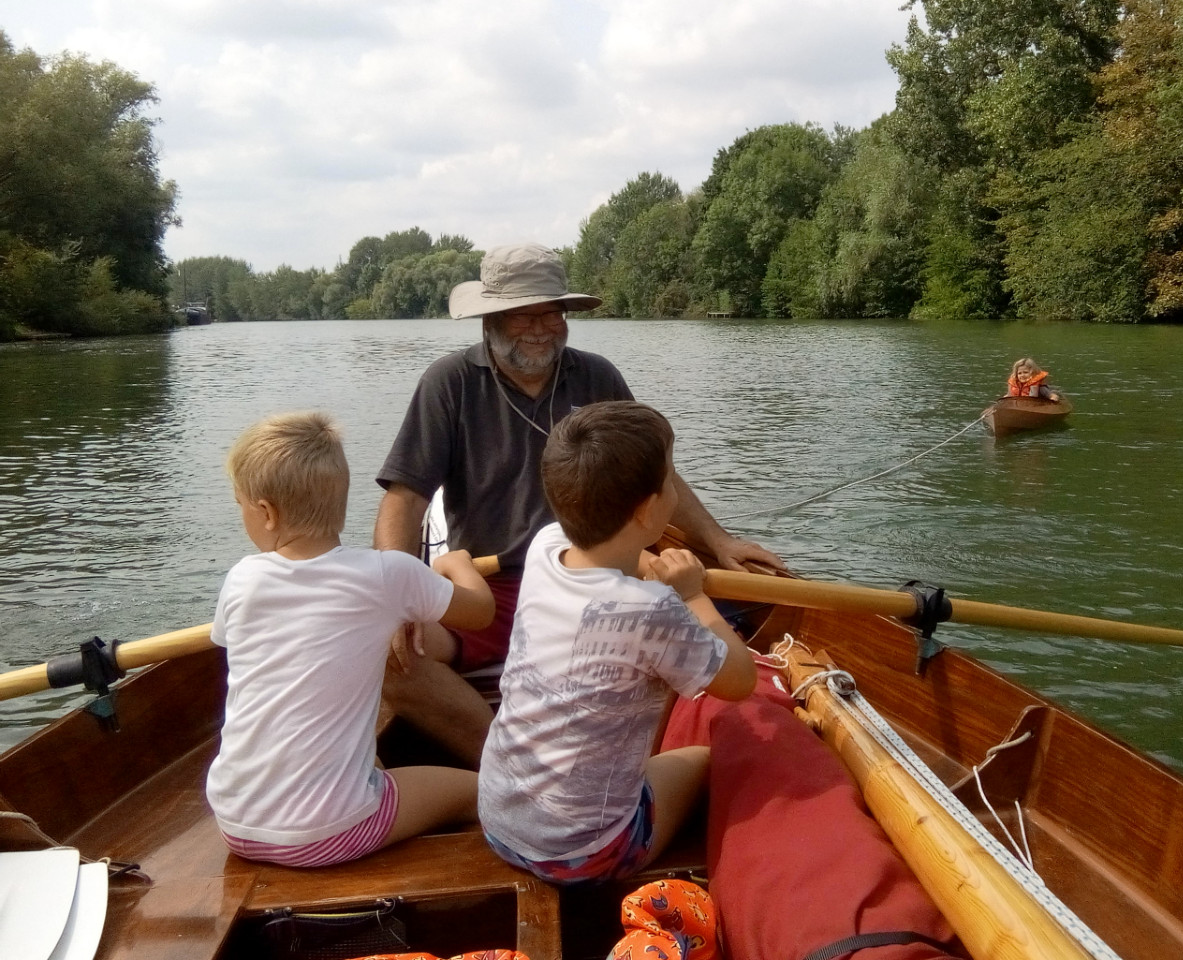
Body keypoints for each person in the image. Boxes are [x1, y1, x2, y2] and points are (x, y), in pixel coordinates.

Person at [374, 242, 783, 766]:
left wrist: (719, 542)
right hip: (486, 594)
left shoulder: (599, 378)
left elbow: (657, 475)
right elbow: (405, 500)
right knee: (391, 656)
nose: (542, 328)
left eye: (553, 313)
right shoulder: (448, 384)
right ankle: (506, 764)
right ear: (490, 319)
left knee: (671, 642)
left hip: (598, 579)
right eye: (524, 316)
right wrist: (397, 596)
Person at [477, 401, 758, 884]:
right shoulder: (651, 612)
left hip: (499, 823)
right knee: (711, 758)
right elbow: (740, 680)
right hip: (585, 852)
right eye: (671, 480)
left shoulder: (546, 545)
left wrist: (657, 567)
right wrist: (694, 595)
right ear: (648, 509)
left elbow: (623, 566)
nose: (674, 488)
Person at [206, 411, 494, 868]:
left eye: (239, 503)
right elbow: (481, 613)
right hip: (325, 834)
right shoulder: (387, 576)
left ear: (265, 512)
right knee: (483, 792)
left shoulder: (241, 579)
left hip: (235, 823)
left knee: (375, 766)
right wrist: (458, 564)